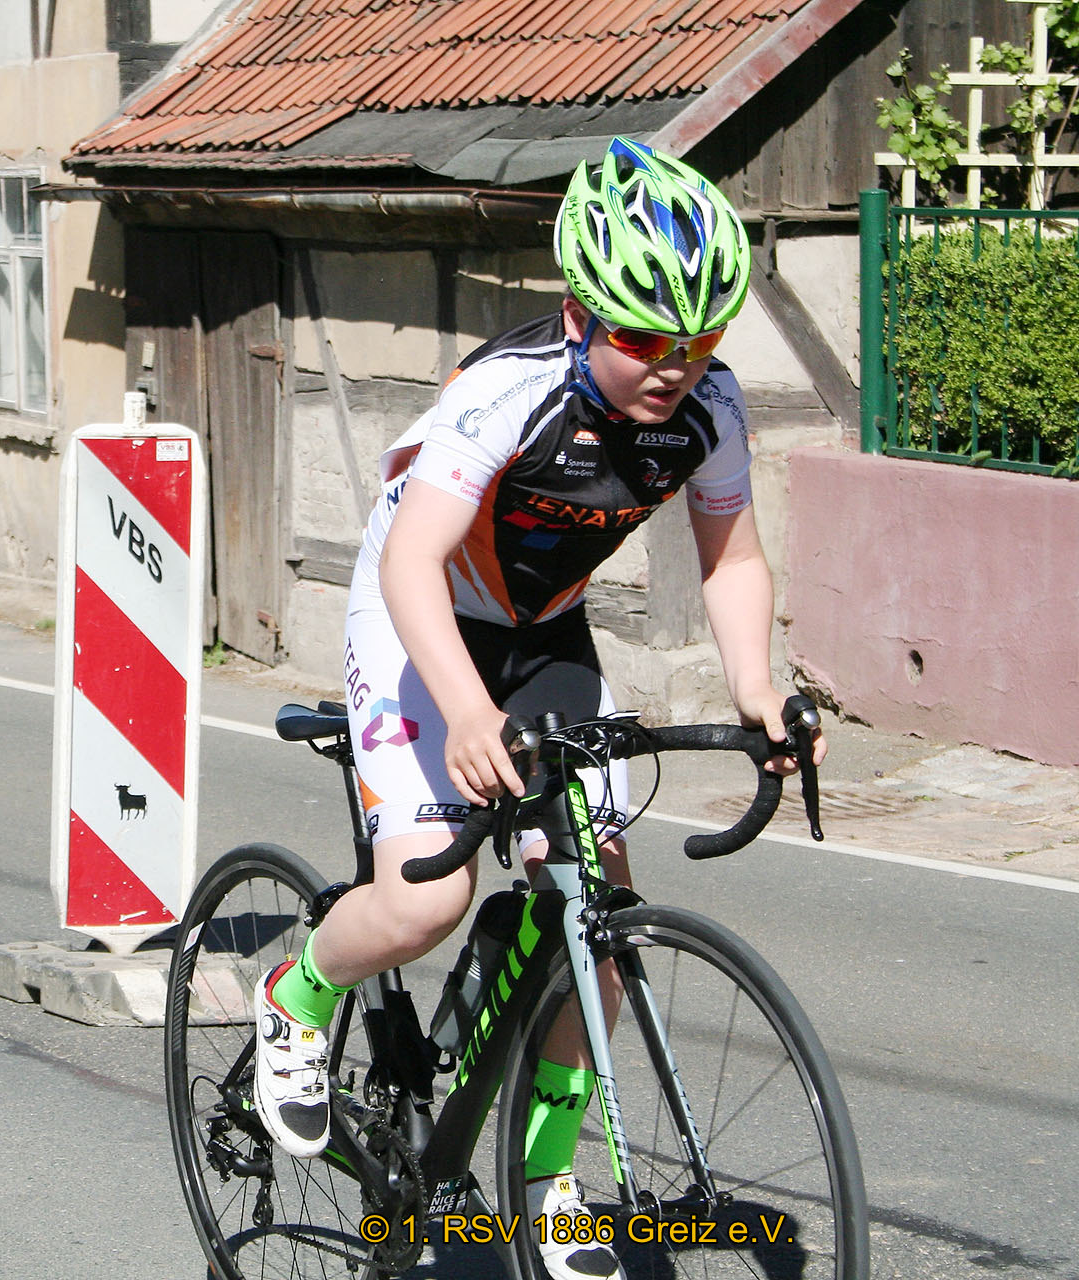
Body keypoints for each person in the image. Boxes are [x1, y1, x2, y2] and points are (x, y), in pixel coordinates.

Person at [251, 139, 826, 1280]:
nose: (675, 367)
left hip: (542, 629)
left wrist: (756, 688)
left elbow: (732, 557)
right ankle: (294, 993)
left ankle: (545, 1180)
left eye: (701, 340)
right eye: (644, 340)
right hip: (418, 617)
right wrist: (466, 713)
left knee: (595, 919)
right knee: (427, 898)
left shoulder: (708, 407)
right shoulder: (505, 394)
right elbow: (412, 564)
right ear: (579, 315)